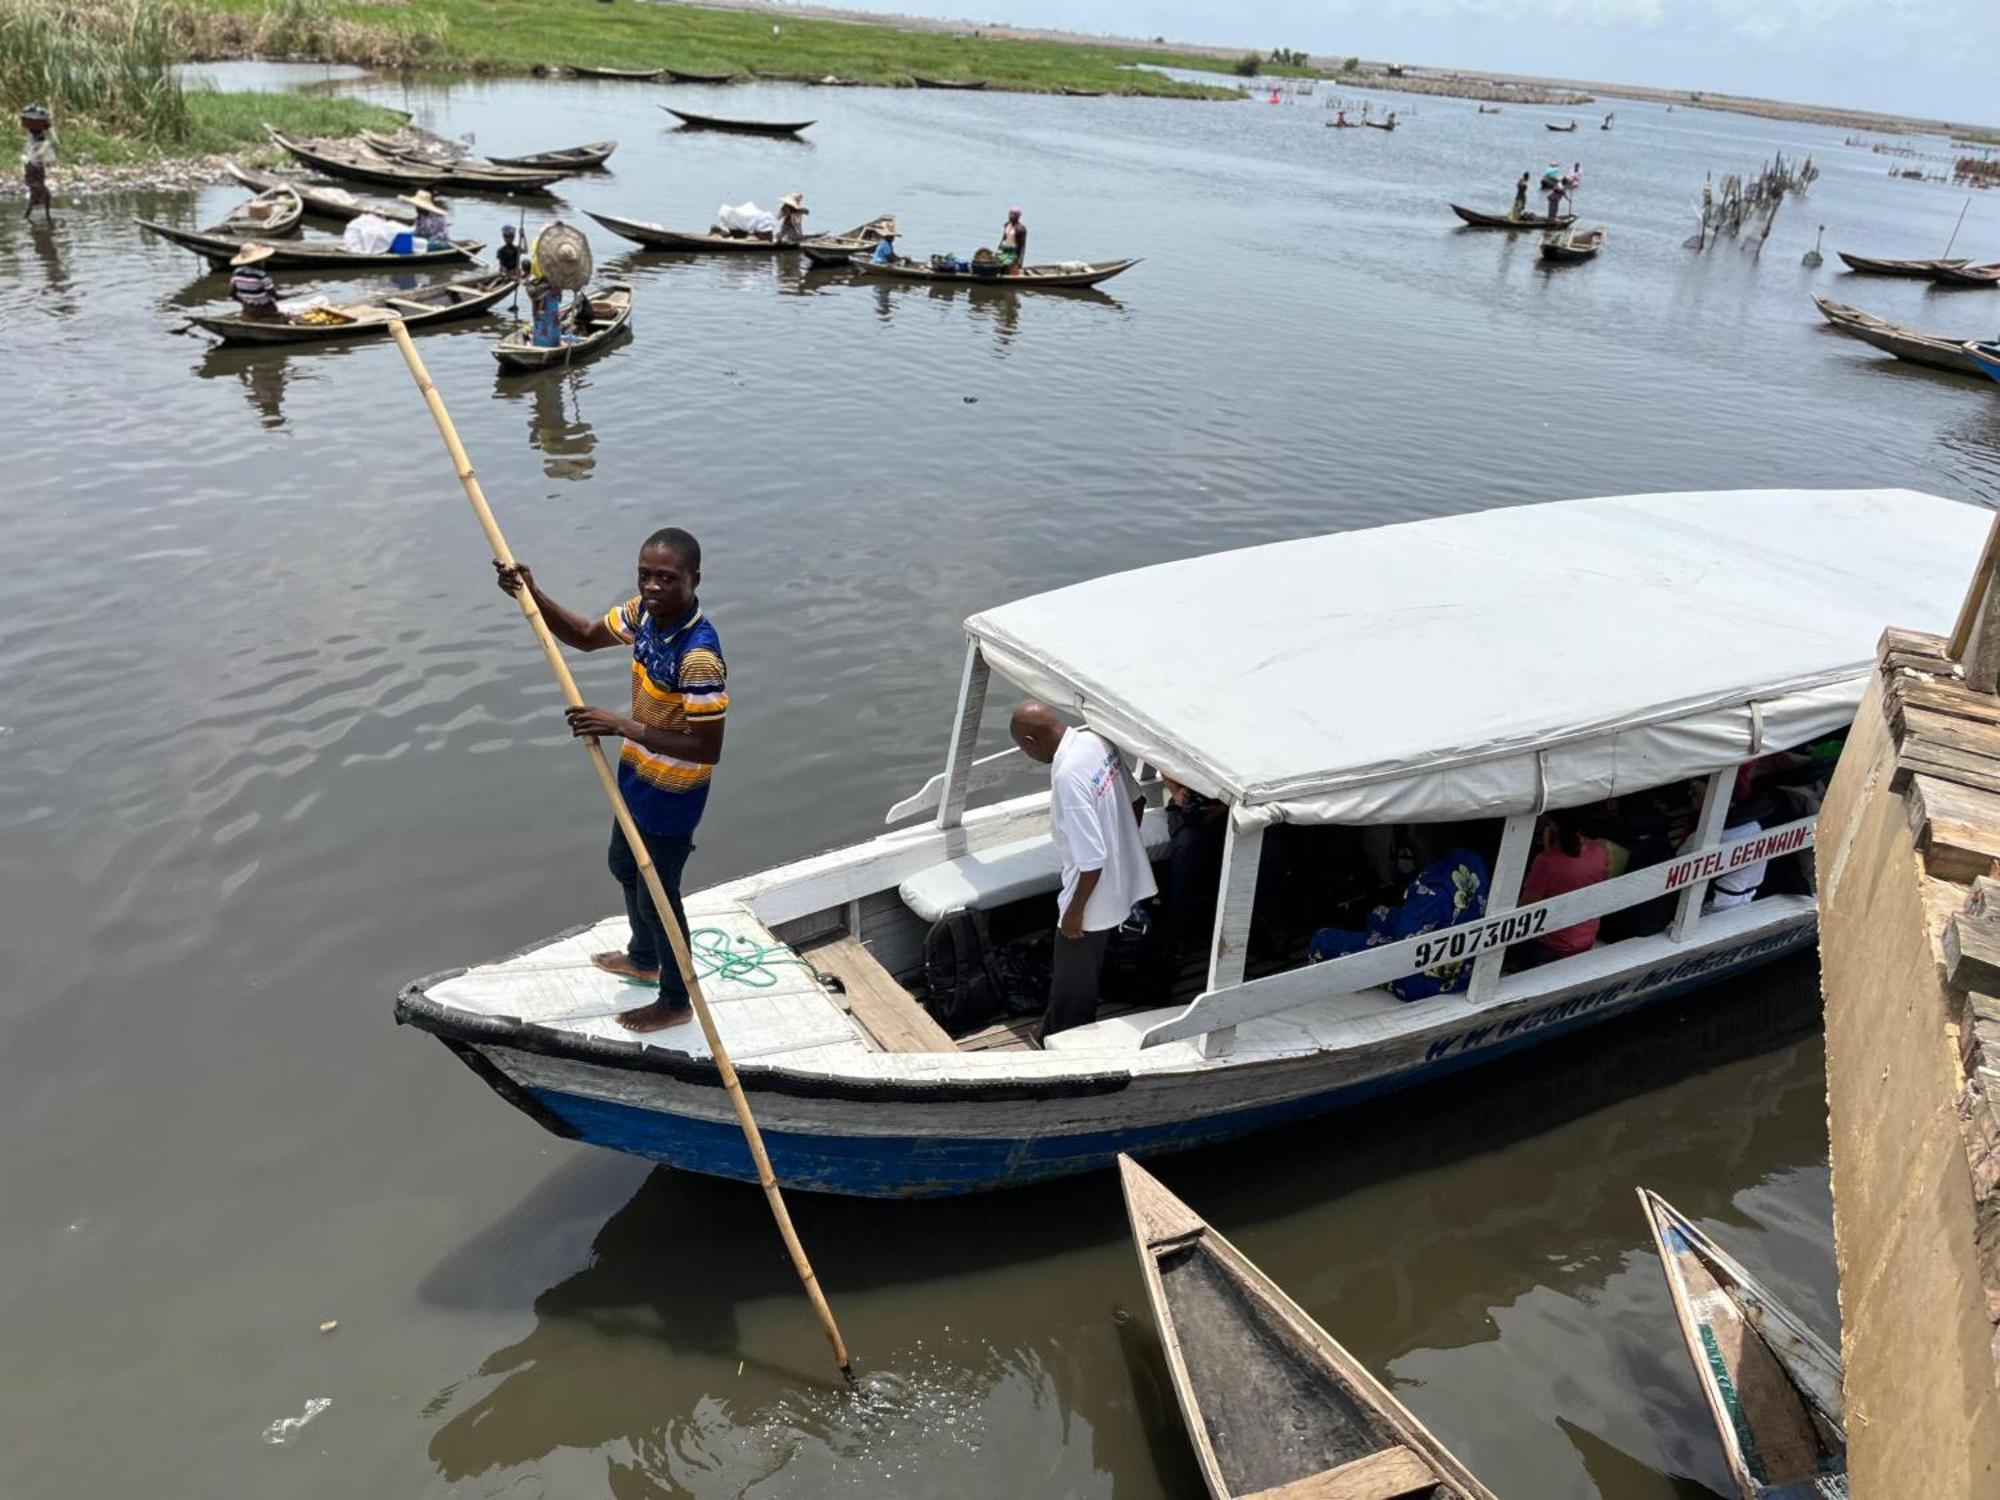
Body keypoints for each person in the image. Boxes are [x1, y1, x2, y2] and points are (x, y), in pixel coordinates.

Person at [495, 529, 727, 1033]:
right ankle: (643, 957)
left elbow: (708, 748)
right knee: (623, 863)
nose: (653, 586)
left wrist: (620, 724)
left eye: (667, 578)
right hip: (637, 773)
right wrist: (531, 593)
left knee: (659, 894)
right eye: (646, 575)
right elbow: (583, 635)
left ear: (694, 580)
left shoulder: (699, 656)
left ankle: (675, 998)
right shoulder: (643, 616)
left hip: (675, 792)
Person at [1007, 700, 1156, 1043]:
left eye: (1023, 749)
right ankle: (1056, 1028)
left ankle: (1061, 1038)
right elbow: (1137, 800)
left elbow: (1091, 862)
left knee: (1073, 974)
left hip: (1093, 891)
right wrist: (1125, 850)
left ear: (1030, 741)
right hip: (1123, 875)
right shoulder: (1096, 742)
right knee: (1085, 966)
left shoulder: (1067, 777)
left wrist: (1074, 913)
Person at [1308, 826, 1489, 1001]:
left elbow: (1405, 943)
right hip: (1463, 966)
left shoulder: (1429, 885)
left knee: (1322, 941)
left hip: (1423, 980)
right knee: (1378, 915)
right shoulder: (1470, 860)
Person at [1514, 806, 1609, 965]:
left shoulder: (1546, 861)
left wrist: (1546, 854)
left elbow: (1525, 908)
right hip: (1586, 938)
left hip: (1552, 947)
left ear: (1551, 826)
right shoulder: (1600, 850)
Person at [228, 243, 284, 321]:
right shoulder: (261, 275)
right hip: (266, 309)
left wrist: (245, 301)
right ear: (258, 261)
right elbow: (273, 294)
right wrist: (283, 297)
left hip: (248, 308)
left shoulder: (236, 273)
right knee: (283, 318)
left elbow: (232, 294)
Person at [20, 104, 54, 224]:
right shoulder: (39, 137)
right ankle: (45, 216)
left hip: (34, 165)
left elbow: (32, 152)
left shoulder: (36, 137)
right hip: (35, 165)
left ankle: (29, 216)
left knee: (35, 185)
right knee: (37, 185)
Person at [528, 277, 564, 347]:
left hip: (553, 314)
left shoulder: (555, 291)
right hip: (548, 315)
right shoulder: (545, 293)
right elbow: (541, 307)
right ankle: (545, 344)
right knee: (548, 330)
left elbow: (560, 300)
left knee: (553, 329)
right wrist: (540, 313)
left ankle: (553, 344)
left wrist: (559, 292)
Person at [998, 206, 1027, 275]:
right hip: (1004, 249)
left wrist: (1020, 261)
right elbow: (1003, 239)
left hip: (1013, 252)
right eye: (1010, 215)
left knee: (1007, 265)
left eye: (1013, 215)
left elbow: (1022, 246)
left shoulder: (1021, 229)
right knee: (995, 263)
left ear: (1018, 217)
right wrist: (998, 249)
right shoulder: (1007, 225)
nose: (1011, 217)